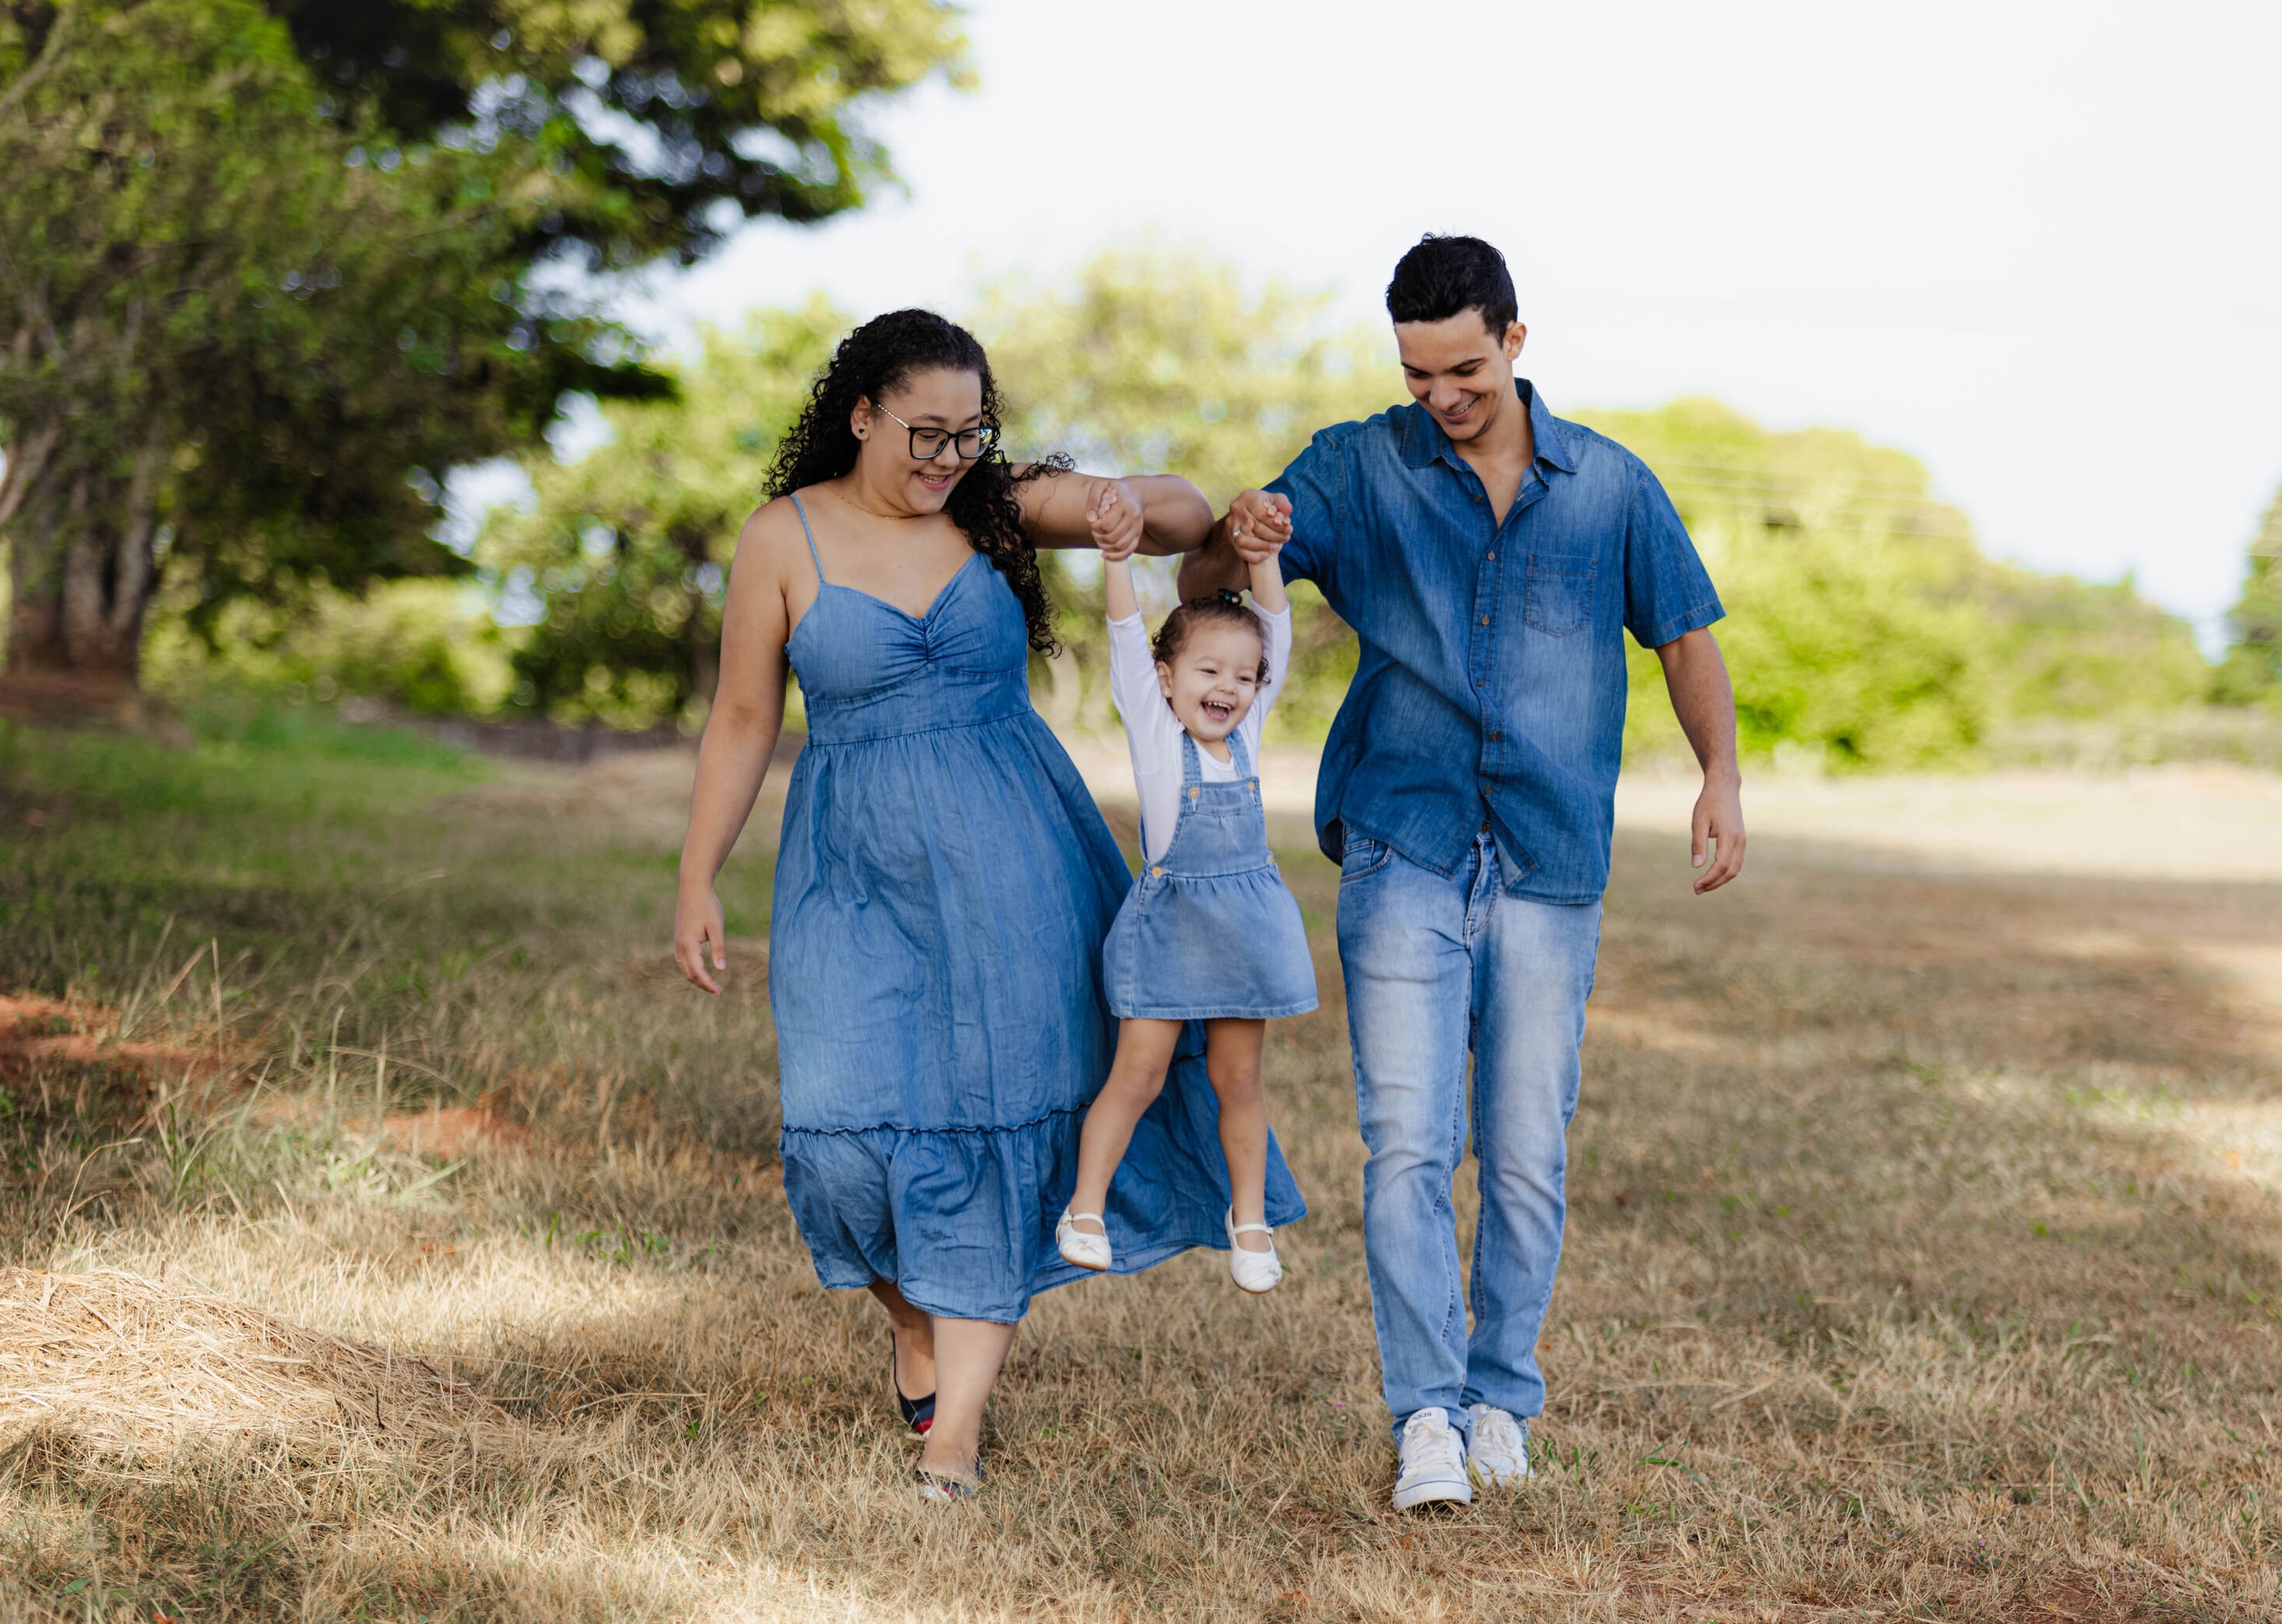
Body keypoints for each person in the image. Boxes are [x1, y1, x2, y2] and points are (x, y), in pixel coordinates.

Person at [673, 308, 1306, 1501]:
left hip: (1017, 852)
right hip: (852, 868)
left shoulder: (990, 500)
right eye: (923, 433)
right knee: (840, 1139)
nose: (945, 459)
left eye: (970, 434)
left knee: (996, 1119)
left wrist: (1133, 511)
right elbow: (745, 718)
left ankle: (954, 1424)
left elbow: (1174, 511)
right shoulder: (783, 537)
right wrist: (698, 873)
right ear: (858, 412)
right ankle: (915, 1318)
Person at [1173, 235, 1748, 1511]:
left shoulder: (1608, 487)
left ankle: (1502, 1398)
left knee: (1529, 1150)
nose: (1443, 396)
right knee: (1406, 1146)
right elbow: (1217, 586)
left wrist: (1720, 776)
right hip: (1404, 838)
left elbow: (1687, 635)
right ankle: (1425, 1414)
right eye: (1419, 372)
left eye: (1465, 370)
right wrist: (1235, 535)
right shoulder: (1357, 465)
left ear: (1516, 342)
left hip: (1550, 855)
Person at [1054, 494, 1317, 1295]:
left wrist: (1264, 553)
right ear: (1166, 681)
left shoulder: (1247, 733)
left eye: (1243, 677)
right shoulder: (1158, 732)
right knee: (1139, 1076)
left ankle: (1248, 1220)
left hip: (1242, 934)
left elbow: (1277, 628)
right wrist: (1114, 559)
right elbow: (1128, 639)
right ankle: (1086, 1210)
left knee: (1237, 1081)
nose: (1228, 687)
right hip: (1171, 931)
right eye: (1208, 670)